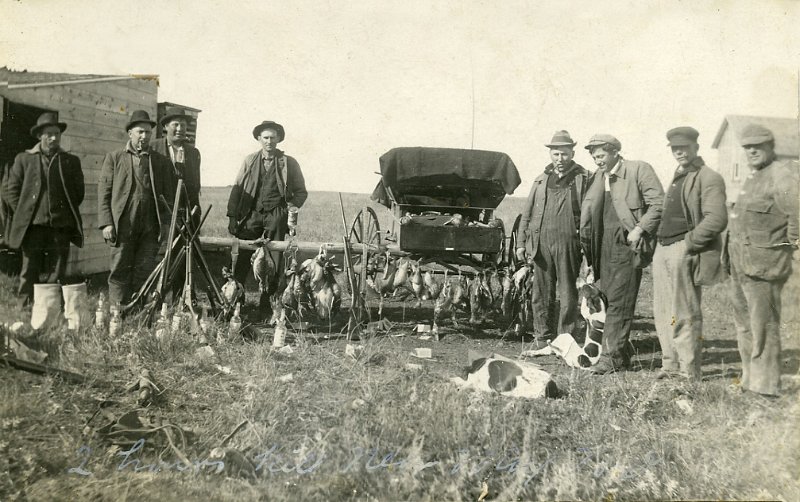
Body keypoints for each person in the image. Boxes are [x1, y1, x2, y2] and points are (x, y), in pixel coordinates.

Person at [724, 124, 799, 397]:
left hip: (765, 266)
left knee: (763, 327)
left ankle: (766, 388)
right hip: (741, 264)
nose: (752, 151)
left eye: (758, 146)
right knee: (744, 325)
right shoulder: (754, 176)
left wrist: (786, 249)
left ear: (771, 146)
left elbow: (796, 219)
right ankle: (749, 379)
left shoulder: (783, 176)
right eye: (747, 147)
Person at [580, 134, 664, 374]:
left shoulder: (638, 170)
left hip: (627, 247)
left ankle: (610, 358)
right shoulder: (597, 177)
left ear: (615, 151)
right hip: (602, 248)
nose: (598, 161)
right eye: (594, 156)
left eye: (602, 155)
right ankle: (621, 353)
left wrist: (639, 229)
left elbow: (659, 204)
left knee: (619, 302)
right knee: (606, 300)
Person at [652, 127, 727, 381]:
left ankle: (688, 370)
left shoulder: (709, 177)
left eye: (684, 147)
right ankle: (670, 365)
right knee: (663, 311)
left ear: (696, 147)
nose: (679, 152)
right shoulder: (678, 175)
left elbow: (716, 218)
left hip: (682, 249)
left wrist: (689, 243)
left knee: (684, 311)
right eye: (674, 148)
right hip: (663, 248)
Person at [516, 130, 591, 344]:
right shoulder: (541, 180)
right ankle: (542, 336)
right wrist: (521, 243)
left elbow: (592, 214)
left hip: (569, 243)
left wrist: (586, 246)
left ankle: (565, 338)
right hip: (541, 244)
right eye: (556, 154)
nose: (560, 159)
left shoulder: (583, 178)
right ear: (550, 154)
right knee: (541, 293)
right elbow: (527, 213)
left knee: (568, 294)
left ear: (572, 153)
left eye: (564, 154)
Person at [2, 112, 84, 303]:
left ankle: (50, 307)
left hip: (60, 227)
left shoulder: (70, 161)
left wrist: (62, 210)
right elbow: (10, 190)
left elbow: (77, 193)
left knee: (57, 269)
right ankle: (24, 307)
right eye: (49, 134)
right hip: (33, 227)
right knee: (29, 267)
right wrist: (25, 210)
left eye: (57, 133)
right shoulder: (24, 159)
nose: (54, 138)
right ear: (40, 136)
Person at [226, 120, 308, 314]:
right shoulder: (249, 161)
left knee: (274, 258)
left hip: (276, 214)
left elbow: (301, 192)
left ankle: (267, 303)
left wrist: (290, 208)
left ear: (279, 139)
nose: (269, 141)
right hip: (251, 213)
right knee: (244, 255)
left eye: (273, 137)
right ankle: (236, 300)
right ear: (258, 139)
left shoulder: (289, 163)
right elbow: (237, 189)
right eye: (265, 138)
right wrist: (232, 216)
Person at [98, 110, 172, 306]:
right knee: (119, 269)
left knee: (143, 270)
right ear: (130, 133)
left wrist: (164, 224)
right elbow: (104, 193)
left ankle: (136, 311)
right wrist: (106, 223)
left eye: (148, 132)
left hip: (149, 227)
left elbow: (166, 198)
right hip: (123, 224)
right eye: (140, 132)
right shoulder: (114, 158)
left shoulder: (159, 161)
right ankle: (117, 311)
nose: (144, 136)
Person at [150, 107, 202, 300]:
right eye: (176, 124)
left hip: (186, 214)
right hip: (160, 213)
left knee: (184, 260)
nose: (180, 129)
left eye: (184, 125)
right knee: (159, 258)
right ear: (166, 126)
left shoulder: (193, 153)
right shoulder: (154, 148)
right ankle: (156, 299)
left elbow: (194, 185)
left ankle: (181, 302)